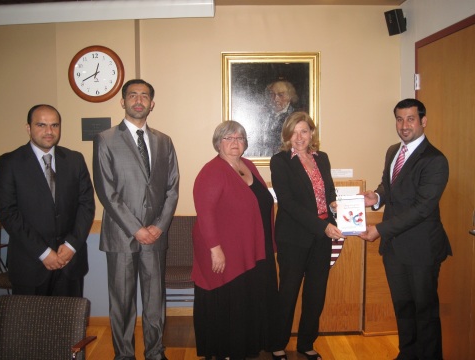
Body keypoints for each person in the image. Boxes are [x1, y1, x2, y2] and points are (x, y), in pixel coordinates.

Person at [93, 79, 179, 360]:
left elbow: (172, 188)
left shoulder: (164, 141)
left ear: (152, 104)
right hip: (121, 236)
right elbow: (106, 190)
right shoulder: (105, 139)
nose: (139, 100)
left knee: (155, 301)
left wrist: (158, 226)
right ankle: (124, 355)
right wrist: (136, 228)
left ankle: (155, 352)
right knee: (122, 304)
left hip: (155, 236)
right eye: (133, 95)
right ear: (123, 102)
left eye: (144, 96)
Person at [359, 98, 451, 360]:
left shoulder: (435, 160)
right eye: (399, 119)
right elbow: (388, 187)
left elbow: (422, 208)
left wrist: (381, 229)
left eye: (411, 118)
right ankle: (408, 354)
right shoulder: (393, 151)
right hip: (396, 249)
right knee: (403, 309)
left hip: (422, 249)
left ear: (423, 121)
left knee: (425, 312)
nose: (404, 125)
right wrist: (375, 198)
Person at [192, 120, 278, 359]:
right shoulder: (212, 170)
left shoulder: (248, 165)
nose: (234, 143)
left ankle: (246, 346)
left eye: (239, 138)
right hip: (226, 250)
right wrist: (215, 249)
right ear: (218, 143)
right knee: (232, 300)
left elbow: (260, 203)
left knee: (249, 300)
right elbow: (205, 213)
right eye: (228, 138)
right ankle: (226, 350)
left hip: (252, 247)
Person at [0, 104, 95, 297]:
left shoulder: (74, 160)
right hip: (30, 263)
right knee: (30, 326)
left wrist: (71, 245)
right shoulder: (10, 162)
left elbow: (86, 205)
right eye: (41, 125)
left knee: (68, 324)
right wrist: (43, 252)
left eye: (55, 125)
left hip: (70, 263)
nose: (49, 131)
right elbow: (8, 212)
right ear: (28, 128)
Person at [270, 111, 343, 360]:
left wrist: (333, 204)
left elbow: (329, 190)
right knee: (288, 292)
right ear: (287, 135)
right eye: (294, 131)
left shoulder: (322, 158)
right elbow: (288, 203)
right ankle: (278, 343)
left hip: (322, 238)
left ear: (312, 133)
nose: (299, 137)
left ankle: (306, 343)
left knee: (316, 292)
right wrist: (321, 226)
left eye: (304, 131)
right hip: (293, 238)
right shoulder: (279, 161)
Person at [248, 80, 299, 157]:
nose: (276, 99)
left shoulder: (295, 117)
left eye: (281, 95)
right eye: (272, 94)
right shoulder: (262, 115)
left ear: (290, 96)